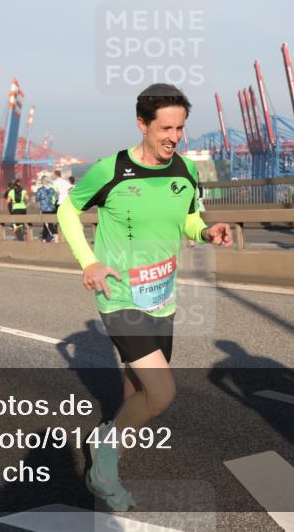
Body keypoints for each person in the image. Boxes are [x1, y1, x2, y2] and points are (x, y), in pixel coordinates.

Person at [57, 83, 233, 511]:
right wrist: (88, 262)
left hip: (162, 297)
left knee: (136, 385)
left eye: (180, 128)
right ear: (142, 124)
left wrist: (206, 231)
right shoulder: (112, 170)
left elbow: (188, 219)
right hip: (120, 297)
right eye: (165, 128)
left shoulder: (185, 170)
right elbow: (67, 209)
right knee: (161, 392)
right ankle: (104, 460)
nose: (174, 137)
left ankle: (110, 449)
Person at [35, 177, 60, 242]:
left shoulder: (40, 190)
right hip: (51, 208)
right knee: (46, 224)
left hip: (44, 209)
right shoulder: (52, 189)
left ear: (42, 182)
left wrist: (42, 199)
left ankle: (55, 235)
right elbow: (57, 198)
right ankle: (44, 239)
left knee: (47, 224)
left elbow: (36, 199)